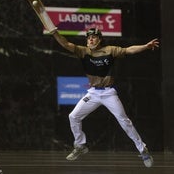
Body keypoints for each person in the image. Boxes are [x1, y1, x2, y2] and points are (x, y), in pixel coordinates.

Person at [51, 28, 159, 167]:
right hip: (93, 93)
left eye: (94, 37)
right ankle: (80, 145)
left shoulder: (110, 50)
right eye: (88, 37)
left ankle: (143, 150)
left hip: (108, 93)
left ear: (99, 39)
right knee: (73, 117)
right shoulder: (83, 51)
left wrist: (145, 46)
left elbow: (129, 50)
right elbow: (66, 44)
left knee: (124, 120)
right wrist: (54, 33)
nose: (90, 39)